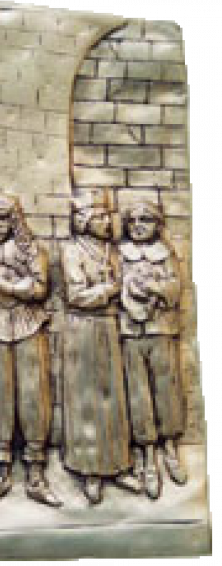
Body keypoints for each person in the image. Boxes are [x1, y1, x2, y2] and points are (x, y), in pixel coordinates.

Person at [0, 195, 61, 508]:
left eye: (4, 219)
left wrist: (8, 287)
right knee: (0, 395)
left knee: (33, 394)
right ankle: (1, 466)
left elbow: (39, 287)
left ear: (14, 220)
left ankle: (36, 470)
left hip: (27, 322)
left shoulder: (30, 249)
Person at [61, 190, 142, 504]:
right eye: (100, 217)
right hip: (83, 327)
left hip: (109, 325)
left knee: (113, 396)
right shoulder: (72, 251)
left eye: (108, 216)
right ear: (84, 221)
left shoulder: (113, 250)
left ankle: (117, 464)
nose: (107, 222)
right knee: (86, 398)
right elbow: (76, 295)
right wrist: (110, 289)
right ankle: (90, 470)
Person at [119, 201, 187, 499]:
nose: (138, 225)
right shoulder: (120, 253)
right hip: (131, 331)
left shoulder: (165, 253)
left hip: (161, 329)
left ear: (157, 224)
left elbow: (175, 288)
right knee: (138, 392)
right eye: (132, 220)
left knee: (166, 389)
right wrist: (131, 290)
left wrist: (154, 288)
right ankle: (146, 454)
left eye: (145, 220)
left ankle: (169, 446)